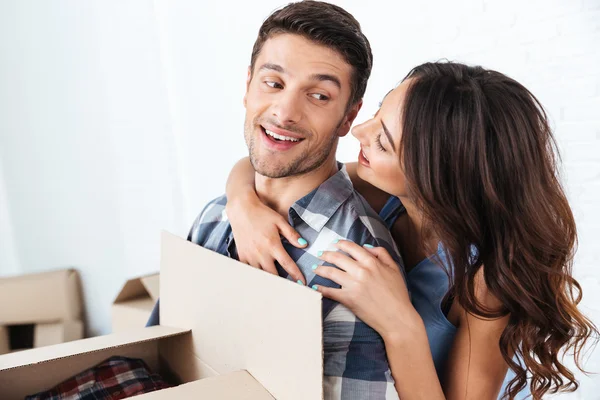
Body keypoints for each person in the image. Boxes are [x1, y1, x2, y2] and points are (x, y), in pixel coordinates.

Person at [225, 62, 597, 399]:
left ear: (434, 178)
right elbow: (271, 168)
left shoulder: (485, 280)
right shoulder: (371, 184)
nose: (358, 131)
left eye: (383, 141)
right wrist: (242, 206)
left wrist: (399, 323)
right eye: (377, 115)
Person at [149, 2, 405, 398]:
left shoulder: (355, 257)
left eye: (318, 96)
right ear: (248, 85)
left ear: (348, 117)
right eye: (273, 83)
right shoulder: (215, 216)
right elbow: (156, 356)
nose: (285, 112)